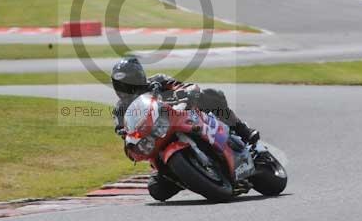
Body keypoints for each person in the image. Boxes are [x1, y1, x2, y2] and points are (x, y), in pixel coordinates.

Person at [111, 57, 260, 201]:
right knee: (156, 189)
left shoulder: (156, 81)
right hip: (156, 140)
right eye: (120, 84)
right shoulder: (120, 110)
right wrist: (128, 138)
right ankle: (187, 178)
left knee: (211, 95)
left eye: (128, 82)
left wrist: (185, 95)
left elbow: (182, 86)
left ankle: (242, 130)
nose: (125, 88)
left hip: (180, 118)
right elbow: (124, 132)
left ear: (139, 77)